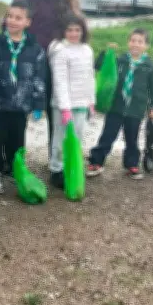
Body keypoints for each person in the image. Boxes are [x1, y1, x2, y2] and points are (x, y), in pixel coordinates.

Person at [13, 0, 82, 157]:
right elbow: (14, 20)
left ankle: (57, 161)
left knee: (57, 111)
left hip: (57, 59)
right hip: (30, 57)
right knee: (20, 109)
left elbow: (74, 26)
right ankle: (15, 159)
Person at [0, 0, 47, 195]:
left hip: (22, 104)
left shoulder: (35, 49)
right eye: (10, 16)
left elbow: (39, 77)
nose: (12, 21)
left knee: (17, 139)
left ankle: (13, 167)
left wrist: (38, 103)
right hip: (0, 104)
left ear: (27, 22)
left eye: (18, 18)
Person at [87, 28, 153, 180]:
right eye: (133, 41)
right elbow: (99, 66)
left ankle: (131, 164)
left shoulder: (150, 67)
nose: (135, 44)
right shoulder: (120, 60)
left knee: (132, 138)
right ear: (128, 42)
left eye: (140, 42)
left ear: (146, 46)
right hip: (116, 106)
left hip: (136, 108)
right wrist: (107, 53)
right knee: (108, 135)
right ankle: (96, 161)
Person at [47, 14, 95, 189]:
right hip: (63, 105)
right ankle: (56, 169)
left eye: (77, 30)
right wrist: (65, 107)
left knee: (78, 135)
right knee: (60, 138)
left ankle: (71, 165)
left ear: (83, 31)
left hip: (81, 102)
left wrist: (91, 100)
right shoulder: (59, 50)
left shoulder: (87, 50)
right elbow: (59, 81)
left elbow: (90, 77)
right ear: (63, 31)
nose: (74, 33)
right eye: (69, 30)